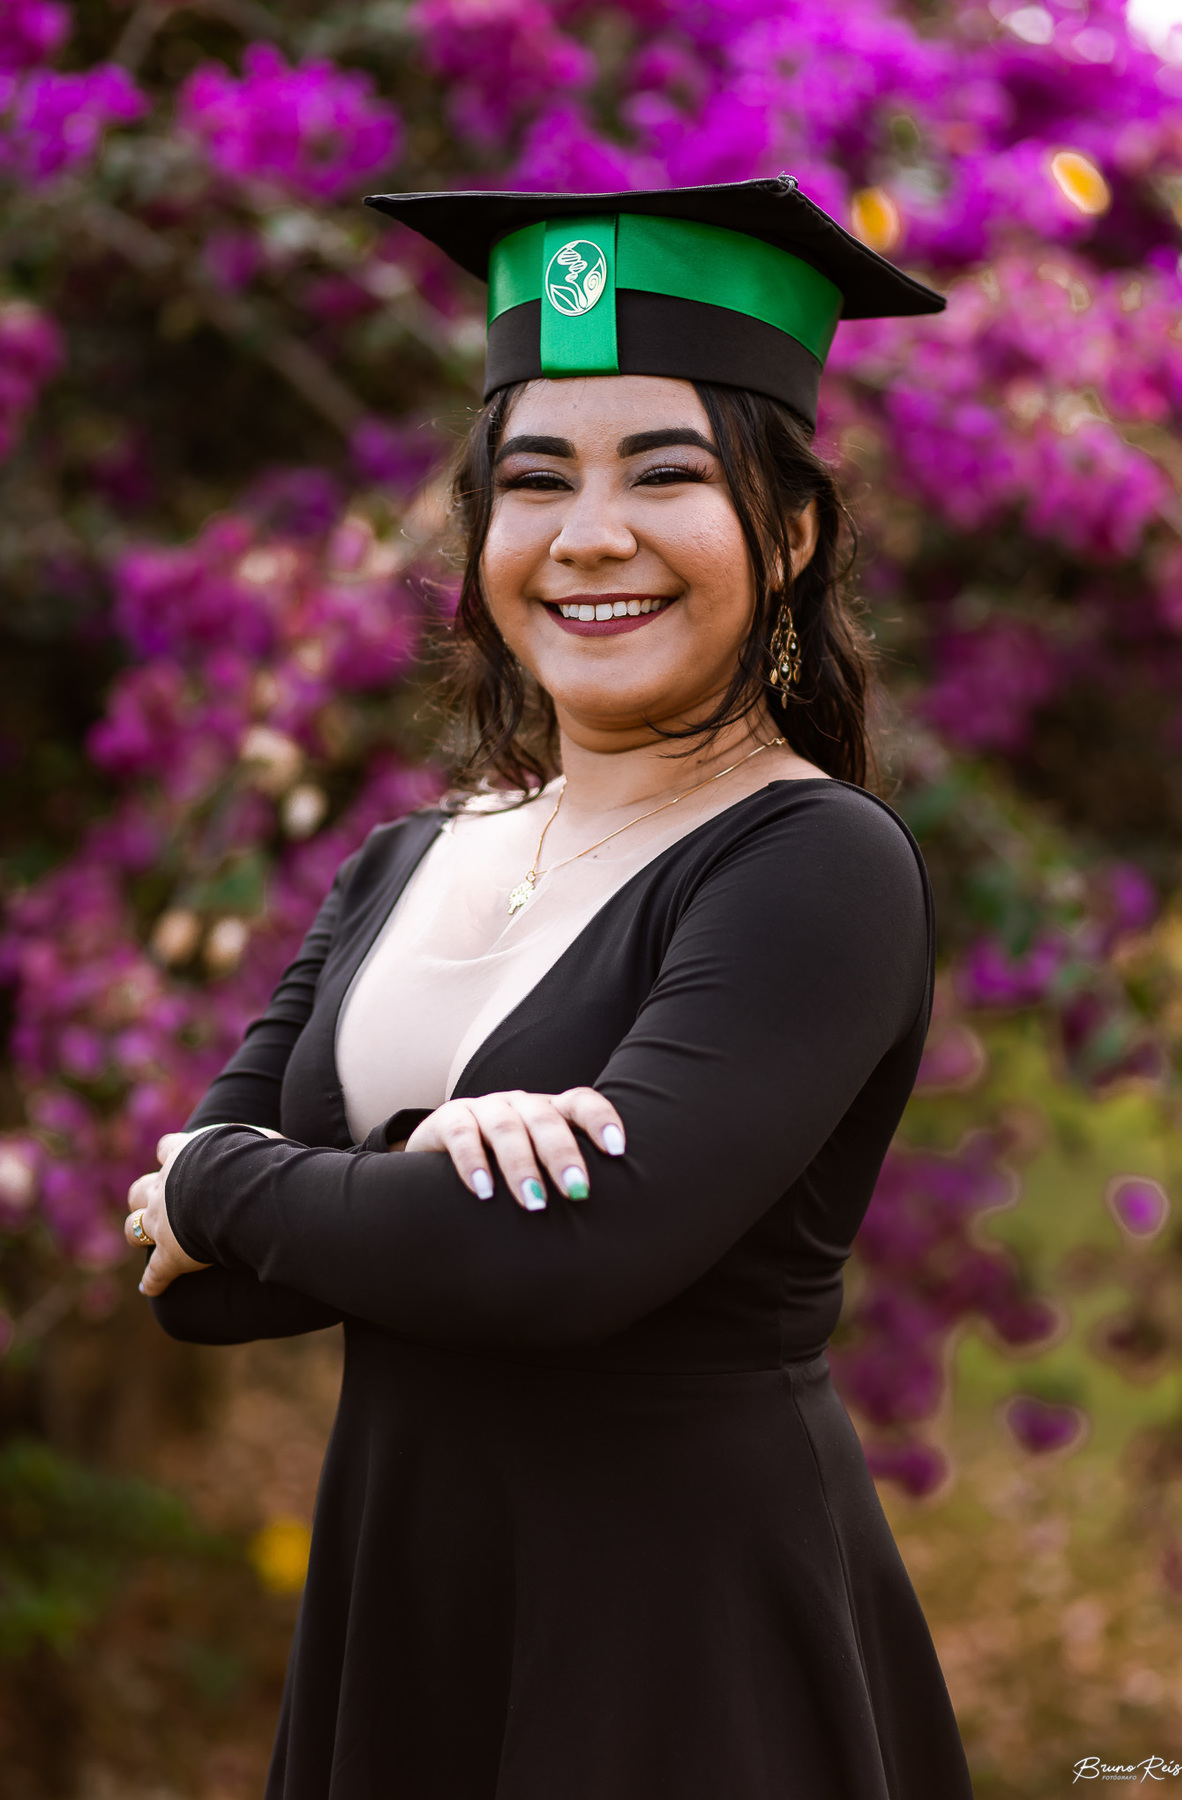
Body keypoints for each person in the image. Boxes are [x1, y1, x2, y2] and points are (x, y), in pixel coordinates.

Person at [126, 176, 975, 1800]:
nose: (590, 535)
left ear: (790, 532)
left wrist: (229, 1181)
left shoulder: (813, 863)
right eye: (535, 482)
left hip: (681, 1650)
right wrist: (420, 1171)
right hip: (403, 1618)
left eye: (665, 472)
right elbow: (207, 1296)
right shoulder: (402, 860)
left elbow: (561, 1261)